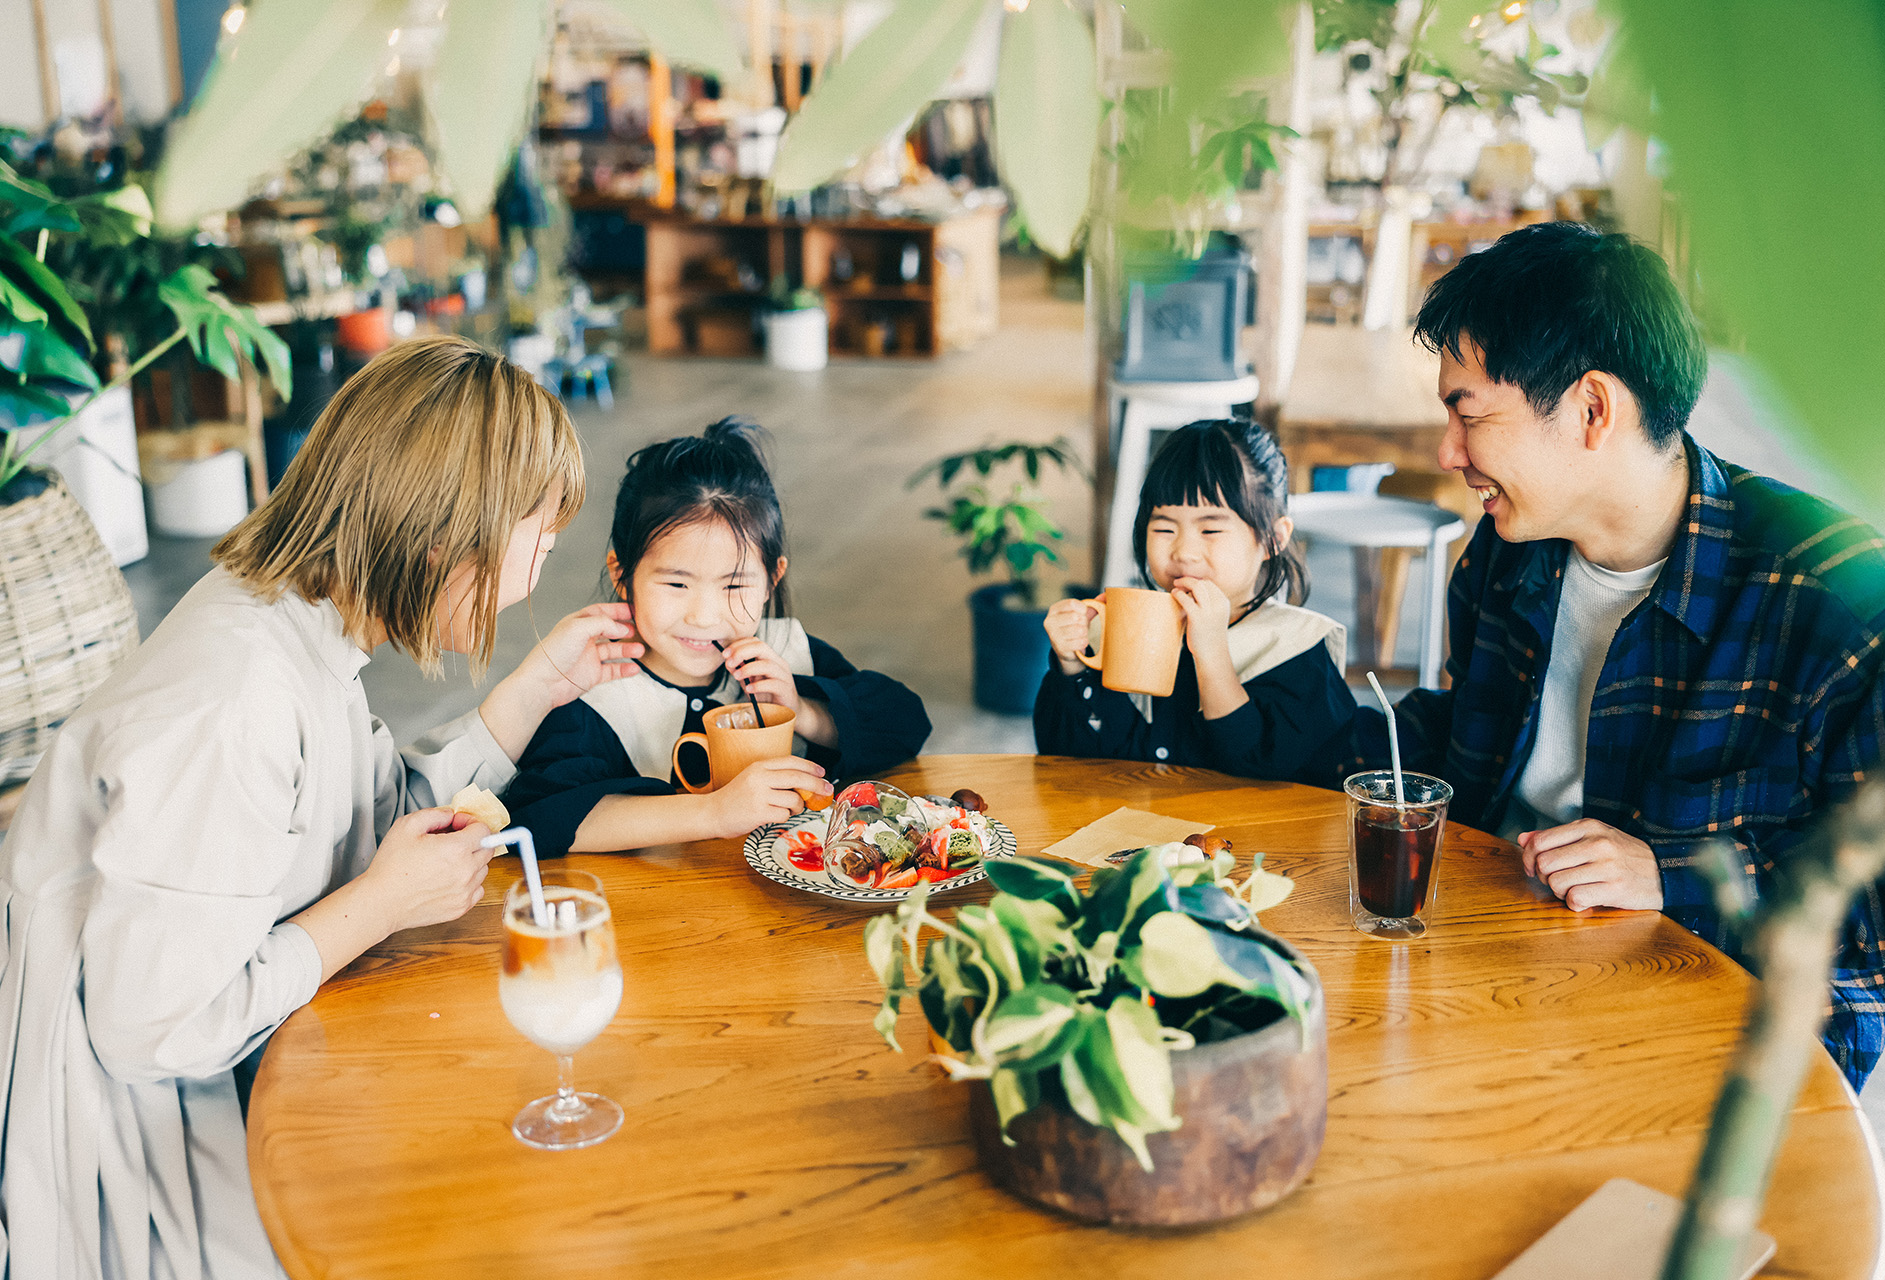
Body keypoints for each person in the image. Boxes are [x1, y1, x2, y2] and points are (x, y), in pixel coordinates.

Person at [0, 336, 646, 1277]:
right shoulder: (234, 699)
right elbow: (149, 1028)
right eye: (537, 543)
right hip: (140, 1153)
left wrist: (535, 688)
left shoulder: (297, 621)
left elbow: (368, 825)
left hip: (209, 1085)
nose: (535, 579)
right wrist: (382, 905)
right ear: (446, 532)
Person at [1362, 221, 1885, 1087]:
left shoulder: (1842, 598)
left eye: (1467, 413)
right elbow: (1456, 743)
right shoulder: (1508, 551)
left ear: (1592, 409)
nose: (1446, 453)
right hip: (1502, 944)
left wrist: (1673, 879)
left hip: (1728, 1017)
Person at [503, 418, 931, 855]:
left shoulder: (789, 655)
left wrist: (803, 711)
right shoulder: (594, 688)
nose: (705, 617)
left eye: (733, 586)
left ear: (771, 579)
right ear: (622, 573)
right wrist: (715, 812)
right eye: (676, 584)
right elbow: (538, 818)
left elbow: (906, 724)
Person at [1033, 419, 1360, 784]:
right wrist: (1070, 667)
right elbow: (1062, 758)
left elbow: (1267, 775)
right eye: (1164, 528)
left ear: (1272, 538)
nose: (1184, 551)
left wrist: (1211, 652)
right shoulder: (1120, 631)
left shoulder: (1297, 645)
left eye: (1210, 529)